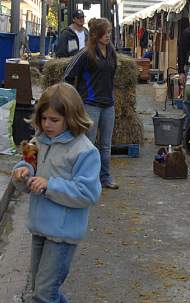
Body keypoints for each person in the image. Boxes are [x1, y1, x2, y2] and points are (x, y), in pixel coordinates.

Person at [11, 83, 101, 303]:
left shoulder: (85, 151)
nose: (47, 125)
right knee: (41, 290)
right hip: (39, 227)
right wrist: (22, 173)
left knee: (44, 293)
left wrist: (49, 185)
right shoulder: (38, 142)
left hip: (62, 233)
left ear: (71, 118)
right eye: (44, 119)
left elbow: (88, 192)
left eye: (54, 120)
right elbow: (29, 166)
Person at [63, 18, 119, 190]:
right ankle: (86, 178)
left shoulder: (111, 52)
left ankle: (105, 177)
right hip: (90, 105)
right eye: (105, 33)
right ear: (95, 34)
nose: (108, 36)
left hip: (108, 105)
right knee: (88, 143)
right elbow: (68, 75)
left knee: (105, 145)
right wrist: (74, 99)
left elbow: (112, 75)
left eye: (109, 32)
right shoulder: (85, 54)